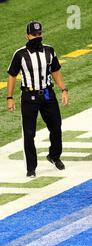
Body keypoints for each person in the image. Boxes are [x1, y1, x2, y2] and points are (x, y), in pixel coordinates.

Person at [6, 21, 69, 178]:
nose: (37, 37)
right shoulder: (20, 54)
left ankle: (54, 156)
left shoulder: (49, 51)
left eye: (39, 34)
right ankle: (31, 168)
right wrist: (9, 97)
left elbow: (55, 71)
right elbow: (12, 75)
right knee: (29, 134)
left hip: (47, 94)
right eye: (34, 34)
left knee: (56, 127)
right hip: (29, 96)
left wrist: (63, 89)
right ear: (27, 36)